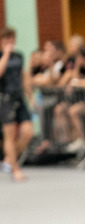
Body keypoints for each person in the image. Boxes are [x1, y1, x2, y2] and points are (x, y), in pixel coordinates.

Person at [0, 28, 32, 182]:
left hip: (19, 98)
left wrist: (29, 93)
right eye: (6, 40)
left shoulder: (19, 56)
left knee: (28, 132)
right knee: (10, 135)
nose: (10, 43)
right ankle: (15, 169)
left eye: (12, 39)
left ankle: (9, 159)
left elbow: (23, 75)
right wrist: (6, 54)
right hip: (5, 98)